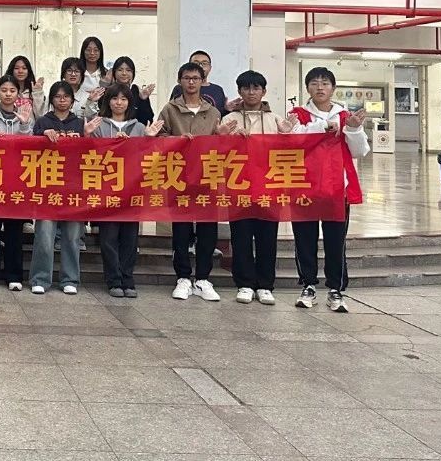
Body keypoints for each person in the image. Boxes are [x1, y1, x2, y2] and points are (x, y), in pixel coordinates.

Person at [291, 66, 369, 313]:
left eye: (325, 83)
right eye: (314, 83)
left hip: (337, 188)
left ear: (333, 88)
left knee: (336, 241)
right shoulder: (297, 114)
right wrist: (321, 128)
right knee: (304, 238)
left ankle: (336, 288)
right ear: (307, 88)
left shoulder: (346, 116)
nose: (320, 87)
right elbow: (292, 142)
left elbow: (360, 151)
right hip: (304, 186)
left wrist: (354, 129)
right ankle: (308, 285)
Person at [216, 70, 295, 306]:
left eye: (256, 88)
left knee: (267, 238)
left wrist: (287, 135)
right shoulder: (228, 120)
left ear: (264, 91)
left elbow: (289, 152)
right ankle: (244, 284)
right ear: (239, 91)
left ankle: (265, 285)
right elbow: (217, 152)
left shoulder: (276, 120)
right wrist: (224, 138)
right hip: (238, 187)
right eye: (246, 88)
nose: (251, 92)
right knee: (240, 237)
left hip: (268, 188)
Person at [151, 61, 223, 302]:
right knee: (181, 229)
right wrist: (177, 140)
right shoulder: (169, 109)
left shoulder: (213, 113)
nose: (191, 82)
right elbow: (158, 138)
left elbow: (221, 143)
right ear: (179, 81)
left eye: (195, 78)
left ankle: (203, 278)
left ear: (203, 81)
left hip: (206, 176)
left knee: (207, 229)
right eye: (187, 78)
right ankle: (183, 277)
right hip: (179, 176)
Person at [87, 83, 147, 298]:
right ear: (108, 101)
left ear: (129, 103)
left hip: (131, 190)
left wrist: (148, 139)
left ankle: (128, 279)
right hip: (107, 190)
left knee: (130, 238)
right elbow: (90, 153)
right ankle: (113, 280)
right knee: (108, 238)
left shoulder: (139, 127)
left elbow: (146, 156)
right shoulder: (99, 125)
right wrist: (88, 135)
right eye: (114, 98)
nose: (118, 103)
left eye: (123, 99)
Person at [29, 81, 87, 295]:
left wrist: (88, 136)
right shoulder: (42, 122)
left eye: (66, 96)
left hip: (74, 188)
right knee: (44, 236)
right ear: (51, 100)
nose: (62, 100)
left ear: (72, 100)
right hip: (47, 187)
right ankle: (40, 278)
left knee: (72, 237)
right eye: (57, 96)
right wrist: (42, 136)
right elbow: (28, 149)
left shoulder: (80, 123)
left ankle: (70, 279)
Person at [0, 74, 33, 290]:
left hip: (17, 180)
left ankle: (14, 275)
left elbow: (30, 147)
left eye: (12, 90)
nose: (8, 94)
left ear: (18, 94)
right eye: (4, 90)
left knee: (14, 231)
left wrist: (25, 125)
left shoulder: (25, 116)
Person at [111, 55, 155, 125]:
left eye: (128, 70)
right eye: (120, 70)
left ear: (133, 73)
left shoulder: (137, 91)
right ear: (114, 72)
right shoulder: (109, 91)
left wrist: (143, 100)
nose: (124, 73)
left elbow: (148, 120)